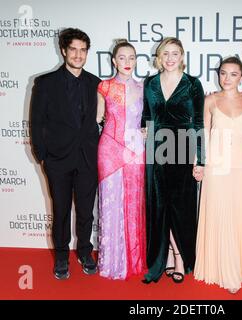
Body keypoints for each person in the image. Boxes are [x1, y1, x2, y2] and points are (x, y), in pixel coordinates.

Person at [30, 28, 100, 280]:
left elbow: (101, 122)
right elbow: (36, 123)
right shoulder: (46, 83)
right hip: (57, 160)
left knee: (85, 211)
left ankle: (84, 252)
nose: (78, 55)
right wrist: (43, 157)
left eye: (83, 50)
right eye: (73, 49)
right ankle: (61, 257)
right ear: (63, 50)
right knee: (60, 211)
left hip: (87, 160)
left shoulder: (96, 83)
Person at [141, 37, 205, 284]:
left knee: (180, 208)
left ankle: (179, 256)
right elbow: (147, 115)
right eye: (165, 53)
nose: (169, 58)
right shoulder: (150, 83)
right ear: (159, 56)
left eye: (175, 53)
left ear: (182, 56)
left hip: (182, 150)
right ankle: (164, 255)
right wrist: (145, 128)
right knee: (159, 206)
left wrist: (202, 160)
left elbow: (199, 123)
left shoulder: (192, 84)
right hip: (156, 150)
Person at [194, 57, 242, 294]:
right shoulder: (210, 99)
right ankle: (223, 270)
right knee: (220, 214)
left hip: (240, 166)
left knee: (238, 215)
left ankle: (239, 268)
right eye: (223, 73)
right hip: (216, 166)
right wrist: (198, 164)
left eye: (232, 74)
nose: (226, 78)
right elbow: (202, 135)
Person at [96, 39, 146, 280]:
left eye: (132, 58)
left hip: (136, 151)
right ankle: (112, 262)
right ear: (114, 61)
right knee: (111, 203)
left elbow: (149, 119)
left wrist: (146, 130)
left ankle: (133, 260)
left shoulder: (144, 88)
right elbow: (95, 120)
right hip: (109, 151)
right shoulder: (103, 87)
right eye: (122, 58)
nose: (127, 62)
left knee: (134, 205)